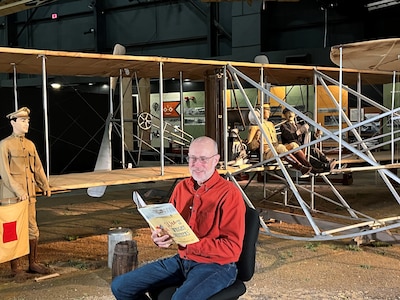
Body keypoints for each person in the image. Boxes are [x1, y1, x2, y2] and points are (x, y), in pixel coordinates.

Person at [111, 136, 246, 300]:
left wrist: (191, 244)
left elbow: (232, 248)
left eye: (203, 159)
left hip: (217, 266)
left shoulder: (229, 194)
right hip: (183, 260)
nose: (196, 165)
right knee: (121, 287)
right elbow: (168, 223)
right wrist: (159, 236)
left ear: (216, 160)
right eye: (192, 158)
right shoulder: (182, 188)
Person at [0, 107, 52, 276]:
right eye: (23, 121)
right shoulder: (5, 144)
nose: (26, 124)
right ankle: (15, 268)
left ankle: (33, 263)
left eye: (28, 121)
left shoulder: (30, 145)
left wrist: (44, 185)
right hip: (11, 197)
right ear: (13, 122)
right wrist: (18, 190)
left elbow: (37, 167)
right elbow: (4, 173)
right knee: (12, 230)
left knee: (32, 229)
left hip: (29, 195)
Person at [247, 104, 313, 175]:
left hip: (276, 149)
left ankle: (308, 166)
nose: (269, 112)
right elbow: (250, 146)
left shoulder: (270, 124)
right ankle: (300, 167)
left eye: (269, 110)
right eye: (267, 110)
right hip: (266, 152)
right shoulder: (255, 126)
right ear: (261, 112)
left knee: (293, 145)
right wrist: (257, 139)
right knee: (280, 147)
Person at [280, 108, 336, 173]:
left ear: (295, 114)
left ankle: (328, 162)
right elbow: (289, 136)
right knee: (307, 156)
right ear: (284, 115)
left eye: (292, 112)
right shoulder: (284, 126)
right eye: (287, 113)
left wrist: (316, 134)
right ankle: (324, 166)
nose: (290, 114)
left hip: (302, 147)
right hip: (293, 150)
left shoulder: (298, 126)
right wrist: (300, 131)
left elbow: (306, 138)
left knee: (314, 150)